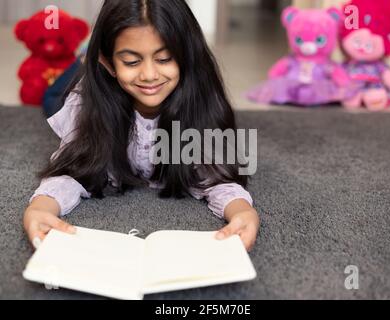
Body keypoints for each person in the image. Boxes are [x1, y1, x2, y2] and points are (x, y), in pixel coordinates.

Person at [23, 0, 260, 251]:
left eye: (164, 58)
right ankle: (84, 60)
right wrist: (40, 207)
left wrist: (243, 212)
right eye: (132, 62)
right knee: (51, 98)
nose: (149, 75)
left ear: (187, 55)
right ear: (108, 62)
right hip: (92, 85)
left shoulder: (204, 101)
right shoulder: (86, 105)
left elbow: (218, 178)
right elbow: (72, 170)